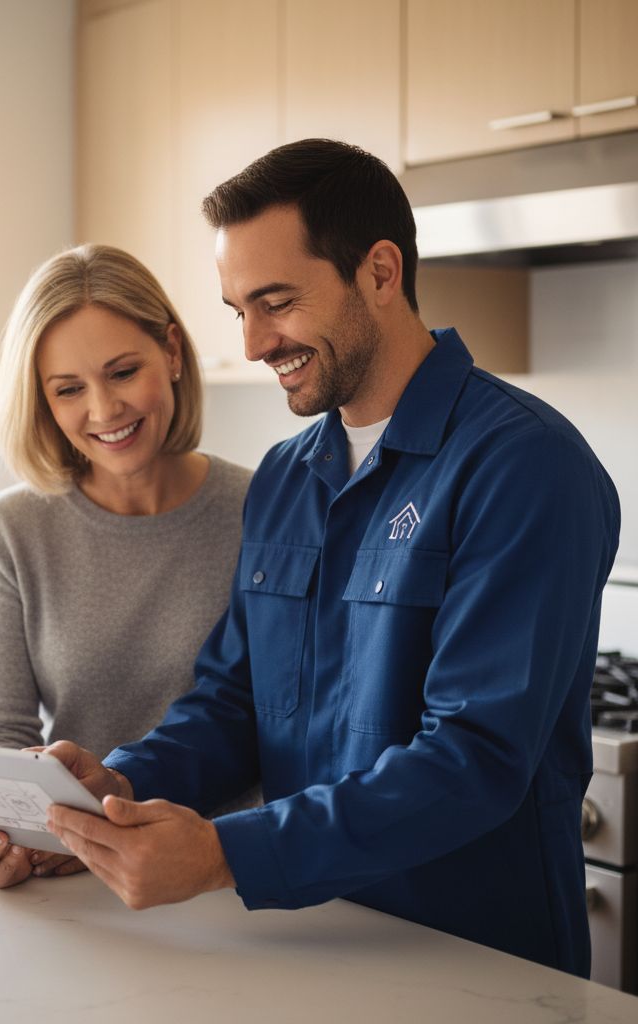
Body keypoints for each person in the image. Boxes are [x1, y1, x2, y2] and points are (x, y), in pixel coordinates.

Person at [44, 140, 621, 978]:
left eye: (275, 302)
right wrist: (118, 789)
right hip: (312, 941)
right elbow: (235, 702)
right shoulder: (287, 474)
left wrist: (222, 855)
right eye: (236, 308)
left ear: (380, 272)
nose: (251, 343)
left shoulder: (524, 465)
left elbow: (473, 760)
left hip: (475, 967)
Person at [0, 243, 253, 889]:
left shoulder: (266, 510)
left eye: (123, 372)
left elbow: (266, 720)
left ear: (174, 354)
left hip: (224, 869)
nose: (103, 411)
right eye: (69, 389)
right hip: (71, 871)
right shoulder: (11, 529)